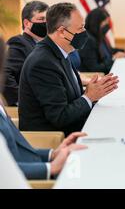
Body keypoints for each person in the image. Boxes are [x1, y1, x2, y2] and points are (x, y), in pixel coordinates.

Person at [18, 3, 120, 136]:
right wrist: (89, 97)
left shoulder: (61, 52)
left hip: (73, 127)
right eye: (81, 28)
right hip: (56, 139)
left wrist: (95, 92)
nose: (85, 33)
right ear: (61, 32)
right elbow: (59, 117)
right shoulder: (43, 62)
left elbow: (71, 97)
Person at [0, 36, 87, 180]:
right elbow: (5, 172)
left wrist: (53, 154)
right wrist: (51, 168)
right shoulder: (42, 60)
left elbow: (16, 152)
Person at [4, 1, 48, 106]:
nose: (46, 23)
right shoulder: (19, 43)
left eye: (48, 20)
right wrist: (24, 100)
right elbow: (5, 74)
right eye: (41, 19)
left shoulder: (44, 45)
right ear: (27, 23)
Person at [78, 8, 125, 74]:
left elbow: (109, 50)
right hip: (95, 77)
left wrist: (123, 51)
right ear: (96, 22)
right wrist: (113, 58)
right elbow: (94, 68)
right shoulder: (87, 40)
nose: (107, 25)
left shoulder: (98, 35)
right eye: (105, 23)